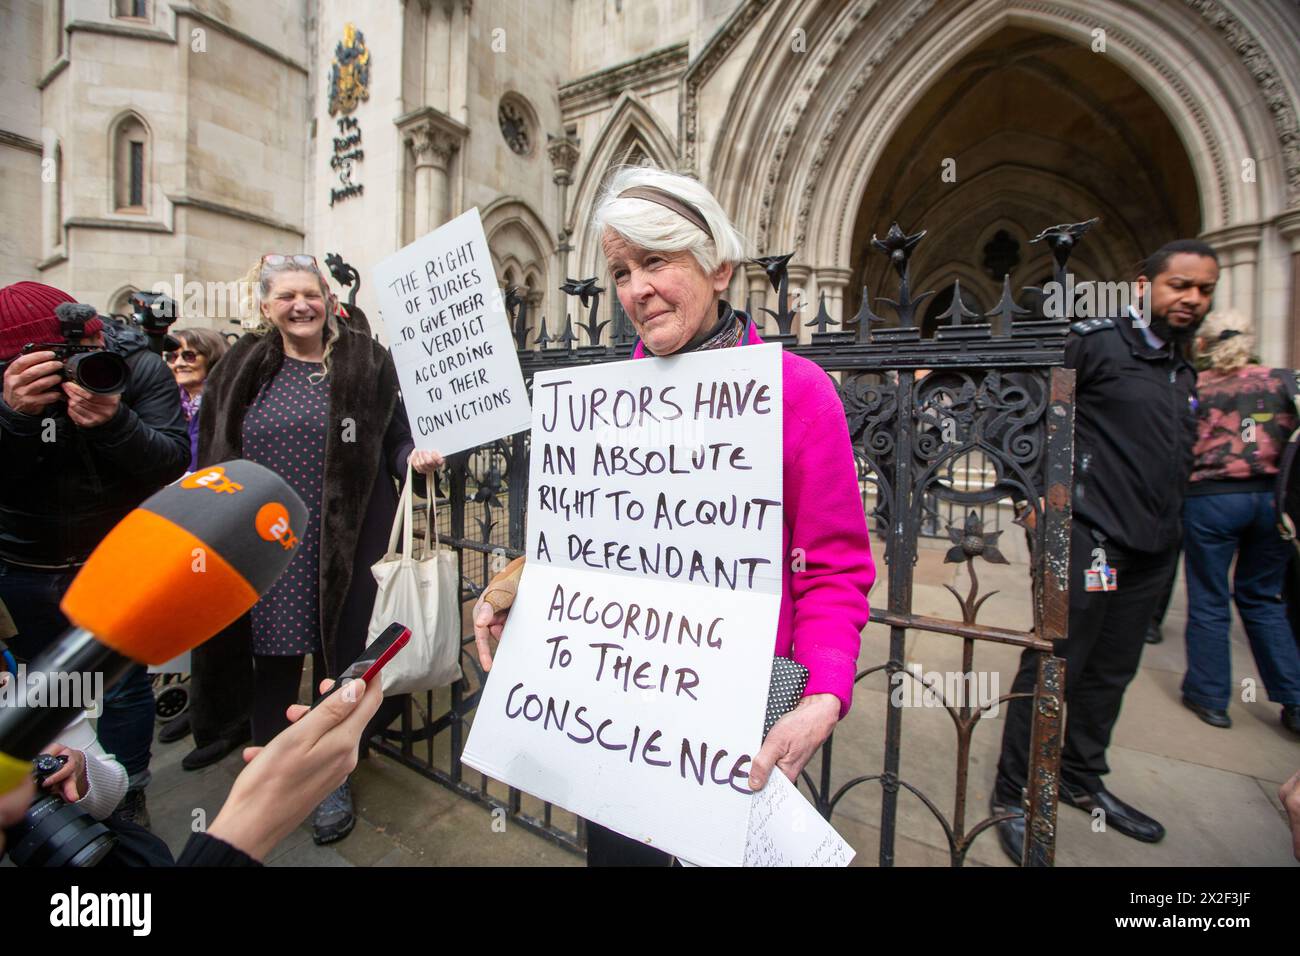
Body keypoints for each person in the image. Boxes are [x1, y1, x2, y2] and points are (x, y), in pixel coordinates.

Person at [472, 166, 876, 866]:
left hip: (740, 714)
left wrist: (825, 694)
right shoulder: (604, 402)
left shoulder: (798, 393)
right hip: (618, 715)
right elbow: (586, 550)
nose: (635, 289)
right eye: (621, 270)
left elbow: (834, 568)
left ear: (719, 267)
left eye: (656, 260)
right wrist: (519, 594)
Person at [187, 253, 443, 845]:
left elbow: (396, 435)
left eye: (310, 294)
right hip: (268, 542)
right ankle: (265, 774)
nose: (300, 306)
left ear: (328, 299)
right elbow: (214, 451)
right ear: (265, 306)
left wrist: (413, 457)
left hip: (346, 537)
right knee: (272, 661)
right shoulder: (240, 368)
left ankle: (331, 776)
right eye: (286, 297)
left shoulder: (364, 361)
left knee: (342, 662)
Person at [991, 240, 1219, 864]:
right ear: (1143, 284)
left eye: (1203, 290)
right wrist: (1030, 496)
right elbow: (1019, 411)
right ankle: (1013, 793)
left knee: (1111, 673)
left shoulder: (1182, 364)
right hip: (1089, 538)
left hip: (1152, 549)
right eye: (1180, 285)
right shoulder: (1095, 342)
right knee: (1054, 668)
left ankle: (1080, 778)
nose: (1192, 299)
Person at [0, 281, 190, 830]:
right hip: (24, 571)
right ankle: (56, 789)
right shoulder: (6, 391)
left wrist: (114, 421)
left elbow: (169, 461)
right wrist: (12, 418)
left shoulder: (134, 365)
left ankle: (127, 789)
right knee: (46, 691)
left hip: (112, 562)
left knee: (124, 688)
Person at [1178, 309, 1300, 733]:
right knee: (1264, 599)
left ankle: (1210, 697)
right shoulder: (1285, 381)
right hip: (1274, 500)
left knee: (1209, 598)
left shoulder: (1196, 385)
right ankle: (1296, 700)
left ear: (1204, 343)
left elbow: (1180, 442)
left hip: (1212, 500)